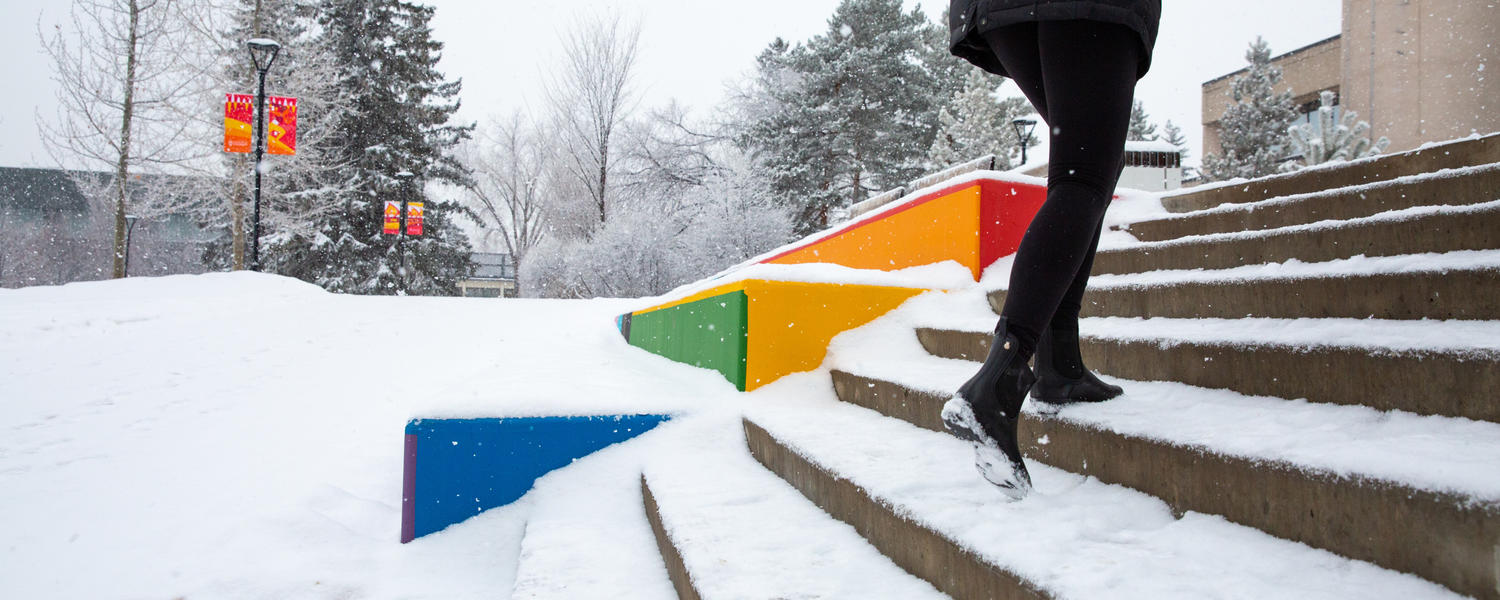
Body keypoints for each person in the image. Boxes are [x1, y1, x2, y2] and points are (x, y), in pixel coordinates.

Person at [939, 0, 1162, 500]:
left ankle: (1059, 364)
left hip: (1003, 12)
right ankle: (997, 384)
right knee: (1085, 175)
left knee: (1086, 169)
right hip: (1085, 9)